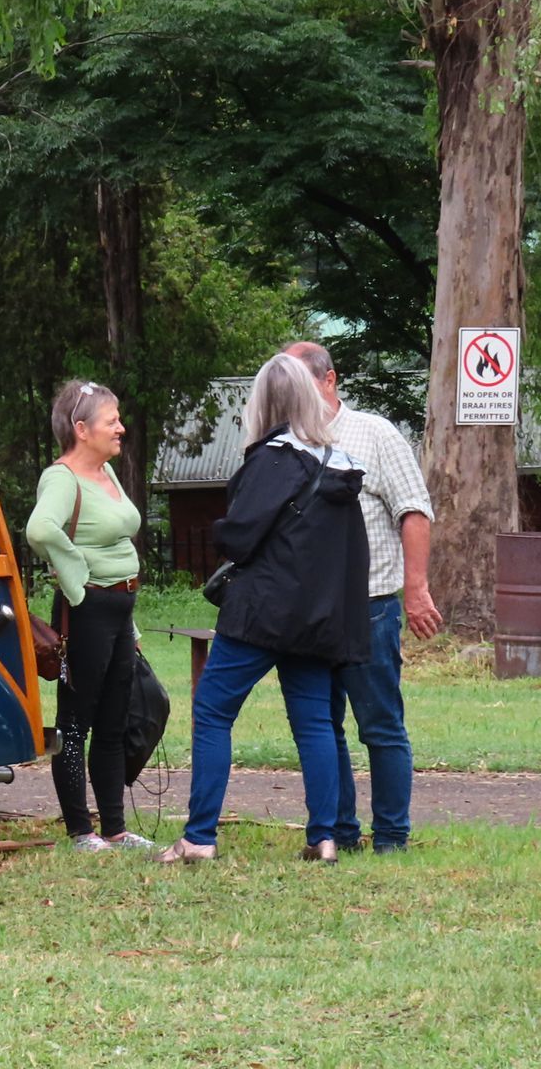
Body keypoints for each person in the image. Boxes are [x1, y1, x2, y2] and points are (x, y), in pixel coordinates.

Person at [158, 353, 370, 864]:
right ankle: (324, 838)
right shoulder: (337, 466)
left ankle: (199, 838)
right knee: (315, 723)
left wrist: (219, 532)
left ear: (265, 402)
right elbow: (351, 559)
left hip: (260, 614)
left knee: (212, 711)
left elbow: (241, 537)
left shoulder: (272, 460)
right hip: (315, 619)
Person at [284, 341, 441, 854]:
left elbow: (414, 511)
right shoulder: (282, 441)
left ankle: (392, 837)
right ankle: (339, 833)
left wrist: (415, 590)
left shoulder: (374, 433)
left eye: (299, 384)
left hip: (369, 606)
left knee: (380, 725)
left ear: (329, 381)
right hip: (308, 613)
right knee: (321, 728)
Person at [25, 380, 157, 854]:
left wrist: (133, 627)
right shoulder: (62, 477)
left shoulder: (107, 473)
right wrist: (74, 575)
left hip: (121, 610)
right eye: (111, 420)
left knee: (114, 721)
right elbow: (40, 529)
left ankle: (116, 830)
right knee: (76, 722)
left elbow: (119, 538)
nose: (121, 427)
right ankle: (81, 831)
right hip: (88, 611)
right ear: (82, 429)